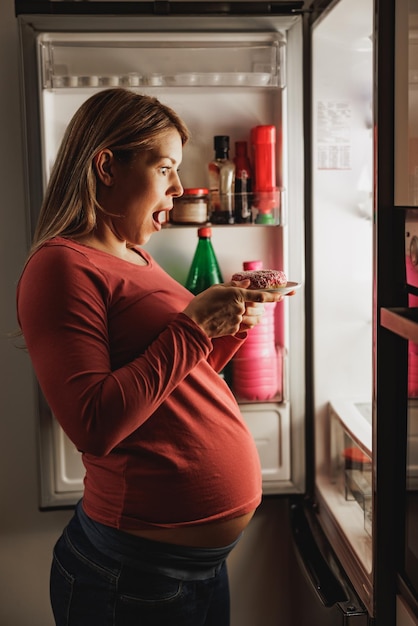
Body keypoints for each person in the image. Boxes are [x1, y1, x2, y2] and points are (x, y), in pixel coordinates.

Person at [16, 88, 284, 626]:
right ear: (106, 166)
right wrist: (192, 327)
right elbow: (94, 422)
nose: (179, 189)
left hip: (196, 569)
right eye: (165, 169)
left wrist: (227, 328)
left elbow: (176, 384)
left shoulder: (135, 253)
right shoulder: (60, 267)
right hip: (131, 576)